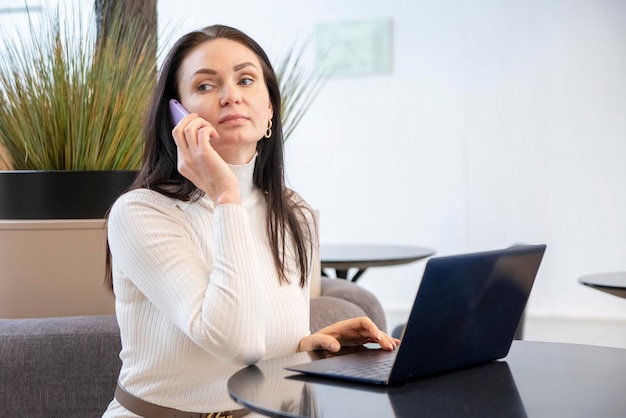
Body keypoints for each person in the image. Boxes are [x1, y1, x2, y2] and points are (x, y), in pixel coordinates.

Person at [102, 24, 399, 418]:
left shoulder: (295, 214)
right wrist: (225, 193)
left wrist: (306, 344)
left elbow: (253, 341)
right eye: (205, 86)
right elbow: (235, 342)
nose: (230, 96)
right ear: (178, 114)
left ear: (270, 107)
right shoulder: (141, 213)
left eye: (245, 80)